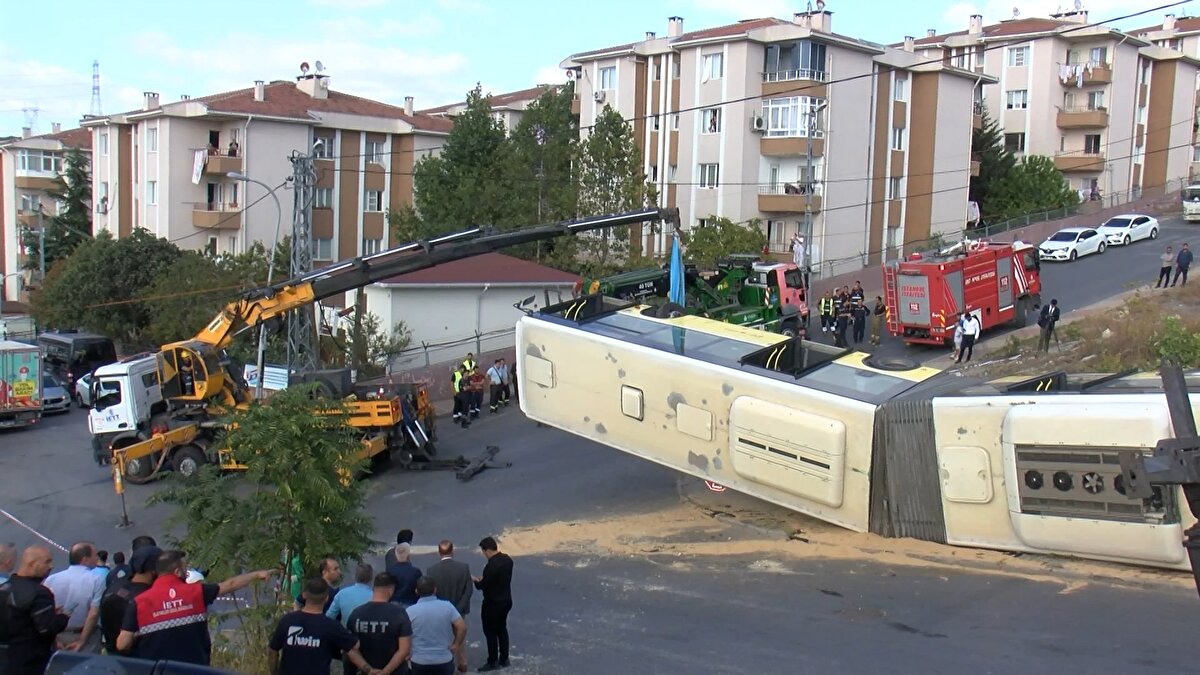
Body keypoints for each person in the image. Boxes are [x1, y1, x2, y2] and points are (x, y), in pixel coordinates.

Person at [117, 549, 272, 665]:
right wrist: (256, 575)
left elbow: (122, 644)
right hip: (195, 668)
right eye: (185, 568)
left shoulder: (139, 602)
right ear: (177, 572)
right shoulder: (196, 592)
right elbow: (230, 585)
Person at [268, 577, 375, 675]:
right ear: (326, 598)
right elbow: (353, 649)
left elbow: (273, 650)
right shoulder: (331, 626)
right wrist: (369, 670)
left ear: (304, 595)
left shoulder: (287, 621)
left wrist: (274, 672)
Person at [0, 545, 70, 675]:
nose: (51, 566)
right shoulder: (40, 593)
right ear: (32, 564)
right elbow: (47, 629)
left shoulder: (4, 588)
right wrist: (63, 617)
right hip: (31, 662)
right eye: (47, 561)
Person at [43, 541, 105, 653]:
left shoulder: (51, 580)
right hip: (84, 634)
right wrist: (82, 640)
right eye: (94, 555)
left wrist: (54, 638)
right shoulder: (96, 580)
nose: (96, 558)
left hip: (58, 635)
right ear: (85, 559)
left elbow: (46, 612)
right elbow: (93, 614)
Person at [347, 573, 412, 675]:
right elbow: (404, 649)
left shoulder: (356, 613)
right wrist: (385, 672)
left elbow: (350, 649)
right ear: (391, 589)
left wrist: (368, 669)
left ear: (374, 588)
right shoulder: (399, 613)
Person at [99, 545, 160, 654]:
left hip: (112, 652)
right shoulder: (147, 596)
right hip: (139, 656)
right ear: (153, 571)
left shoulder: (112, 588)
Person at [424, 541, 473, 672]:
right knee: (460, 635)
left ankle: (443, 661)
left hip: (439, 610)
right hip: (459, 609)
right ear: (452, 551)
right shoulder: (464, 568)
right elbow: (468, 590)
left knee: (441, 635)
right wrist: (458, 608)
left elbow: (431, 590)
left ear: (439, 553)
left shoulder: (431, 570)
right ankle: (462, 662)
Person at [406, 577, 466, 675]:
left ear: (416, 591)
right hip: (443, 659)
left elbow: (404, 634)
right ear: (435, 590)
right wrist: (456, 644)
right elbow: (462, 627)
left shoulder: (410, 611)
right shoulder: (447, 606)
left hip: (419, 661)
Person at [472, 537, 513, 672]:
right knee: (502, 628)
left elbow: (483, 585)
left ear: (487, 550)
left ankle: (492, 660)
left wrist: (476, 580)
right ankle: (504, 658)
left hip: (492, 603)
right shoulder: (507, 560)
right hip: (506, 600)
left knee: (490, 632)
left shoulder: (491, 565)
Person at [327, 563, 374, 627]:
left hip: (346, 634)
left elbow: (329, 617)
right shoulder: (375, 596)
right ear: (371, 578)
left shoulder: (341, 594)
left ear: (354, 576)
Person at [385, 543, 422, 608]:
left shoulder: (390, 571)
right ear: (408, 555)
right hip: (411, 602)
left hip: (394, 603)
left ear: (396, 555)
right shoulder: (415, 572)